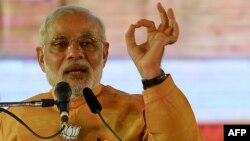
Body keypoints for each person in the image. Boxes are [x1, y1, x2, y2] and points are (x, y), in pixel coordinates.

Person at [0, 2, 203, 141]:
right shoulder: (14, 120)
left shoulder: (141, 113)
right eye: (60, 44)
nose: (75, 53)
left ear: (104, 54)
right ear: (41, 58)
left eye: (87, 43)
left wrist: (151, 71)